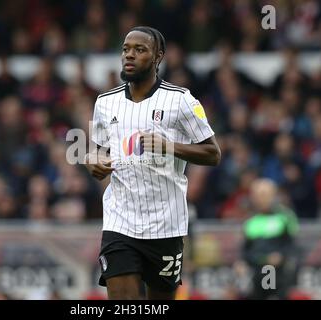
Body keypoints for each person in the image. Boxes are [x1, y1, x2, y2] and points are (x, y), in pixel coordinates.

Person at [84, 26, 221, 300]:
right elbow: (97, 150)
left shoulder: (180, 100)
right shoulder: (105, 103)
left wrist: (169, 146)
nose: (129, 56)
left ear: (158, 57)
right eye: (125, 49)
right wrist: (92, 160)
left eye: (139, 50)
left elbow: (212, 153)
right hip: (119, 222)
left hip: (166, 224)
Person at [236, 178, 299, 300]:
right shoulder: (250, 220)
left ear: (273, 195)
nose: (260, 198)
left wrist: (281, 256)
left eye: (264, 194)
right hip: (255, 272)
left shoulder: (285, 217)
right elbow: (245, 250)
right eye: (257, 195)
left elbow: (293, 246)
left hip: (278, 272)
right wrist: (241, 262)